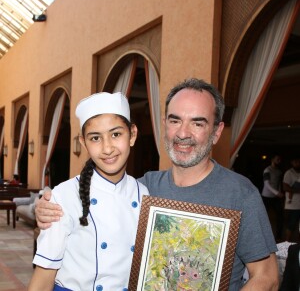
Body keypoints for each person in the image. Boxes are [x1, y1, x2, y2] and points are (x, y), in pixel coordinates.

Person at [35, 78, 279, 290]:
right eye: (175, 120)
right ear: (164, 124)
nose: (183, 133)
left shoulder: (240, 193)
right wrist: (47, 207)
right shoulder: (146, 187)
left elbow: (267, 278)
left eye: (197, 123)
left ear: (216, 132)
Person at [28, 92, 149, 290]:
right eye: (95, 138)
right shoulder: (64, 196)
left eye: (116, 134)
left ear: (132, 135)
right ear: (83, 143)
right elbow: (43, 277)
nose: (107, 148)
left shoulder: (144, 194)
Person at [261, 154, 284, 241]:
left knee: (280, 216)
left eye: (280, 159)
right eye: (277, 159)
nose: (279, 161)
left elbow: (279, 183)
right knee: (264, 216)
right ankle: (263, 236)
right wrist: (277, 192)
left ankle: (278, 236)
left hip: (276, 197)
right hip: (266, 196)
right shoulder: (267, 170)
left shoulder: (279, 171)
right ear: (272, 159)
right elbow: (267, 184)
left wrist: (279, 192)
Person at [283, 156, 300, 242]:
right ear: (292, 162)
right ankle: (287, 242)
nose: (298, 163)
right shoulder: (289, 173)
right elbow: (285, 187)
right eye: (296, 162)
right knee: (291, 224)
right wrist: (297, 190)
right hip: (292, 204)